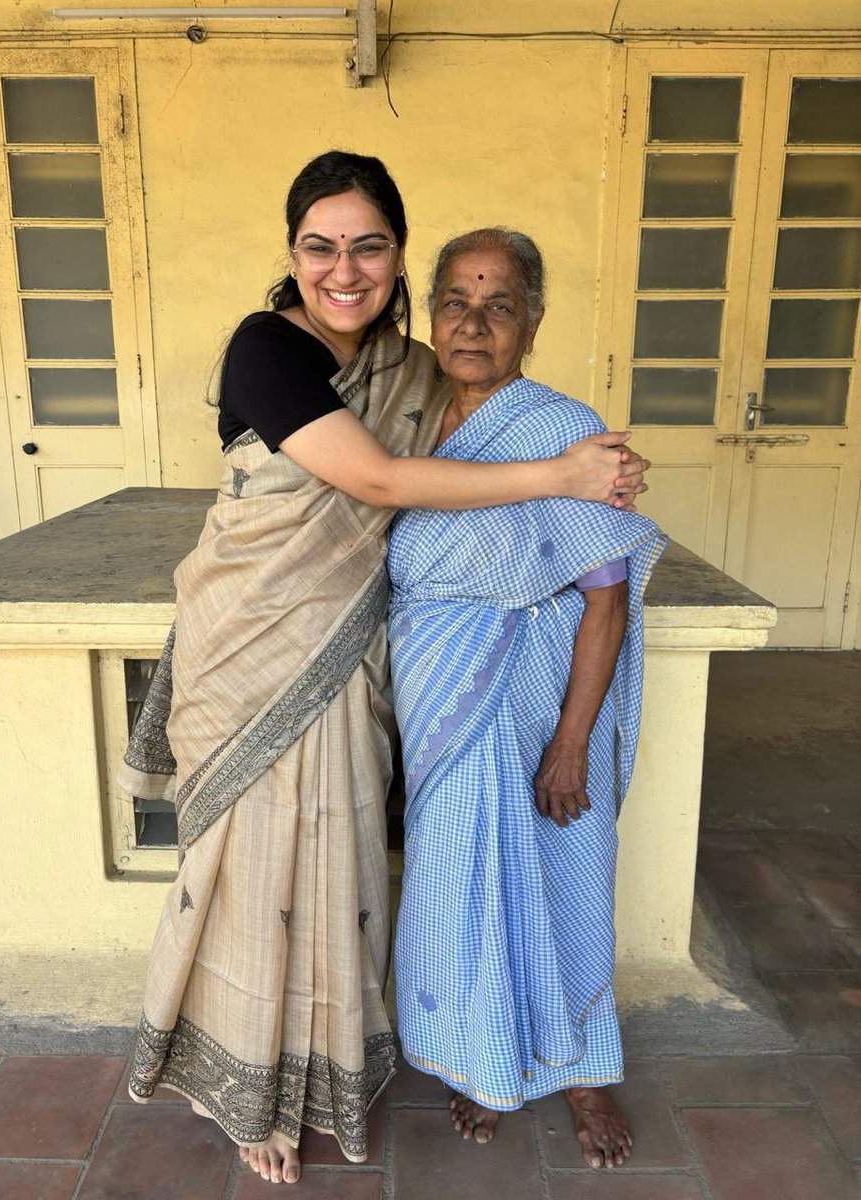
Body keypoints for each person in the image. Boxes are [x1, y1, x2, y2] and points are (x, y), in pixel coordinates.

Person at [119, 153, 651, 1186]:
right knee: (253, 879)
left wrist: (577, 468)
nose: (344, 267)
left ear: (396, 255)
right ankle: (252, 1095)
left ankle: (357, 1072)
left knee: (341, 882)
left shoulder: (428, 380)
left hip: (385, 681)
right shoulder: (269, 349)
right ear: (292, 255)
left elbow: (595, 574)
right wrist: (566, 470)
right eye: (320, 244)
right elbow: (372, 478)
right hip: (257, 659)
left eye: (369, 244)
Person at [388, 227, 666, 1170]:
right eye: (456, 303)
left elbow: (606, 593)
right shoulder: (402, 420)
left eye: (499, 304)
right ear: (430, 316)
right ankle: (481, 1056)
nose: (474, 324)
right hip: (437, 701)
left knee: (563, 875)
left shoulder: (563, 429)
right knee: (457, 885)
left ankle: (584, 1072)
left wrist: (573, 740)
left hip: (538, 701)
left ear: (532, 323)